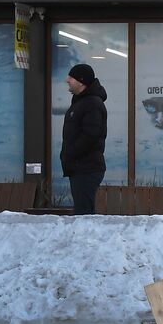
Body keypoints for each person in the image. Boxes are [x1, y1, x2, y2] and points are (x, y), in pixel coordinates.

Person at [61, 63, 108, 215]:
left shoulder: (92, 103)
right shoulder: (80, 102)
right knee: (82, 210)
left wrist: (70, 153)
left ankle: (86, 239)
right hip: (79, 167)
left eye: (71, 77)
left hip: (86, 168)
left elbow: (91, 136)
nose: (67, 80)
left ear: (81, 81)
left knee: (84, 213)